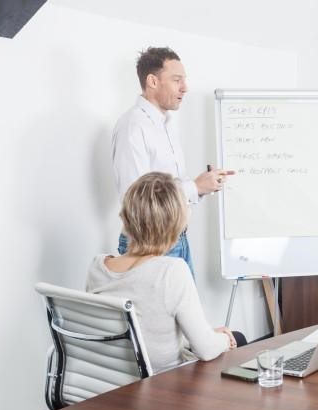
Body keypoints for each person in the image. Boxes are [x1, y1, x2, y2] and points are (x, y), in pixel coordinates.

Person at [86, 172, 245, 374]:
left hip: (112, 380)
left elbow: (145, 326)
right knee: (237, 339)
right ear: (177, 221)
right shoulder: (172, 271)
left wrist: (206, 336)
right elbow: (206, 349)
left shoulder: (97, 266)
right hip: (160, 387)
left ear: (126, 215)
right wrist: (225, 338)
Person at [111, 46, 234, 277]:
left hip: (175, 239)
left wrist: (202, 186)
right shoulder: (133, 127)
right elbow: (136, 199)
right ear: (152, 81)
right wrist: (194, 186)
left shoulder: (166, 125)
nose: (185, 88)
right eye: (177, 80)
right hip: (148, 246)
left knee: (184, 312)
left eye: (184, 80)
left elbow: (166, 187)